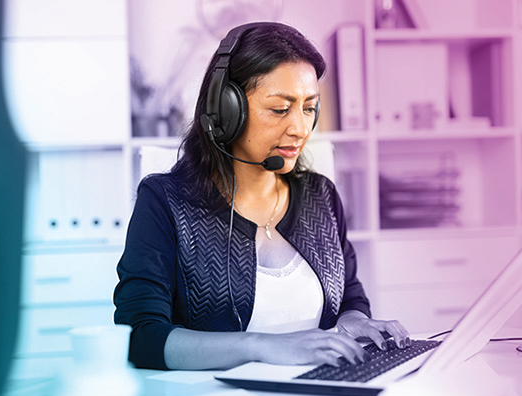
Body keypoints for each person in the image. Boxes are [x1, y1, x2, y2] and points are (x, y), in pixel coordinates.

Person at [113, 21, 410, 371]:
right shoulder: (164, 202)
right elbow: (141, 336)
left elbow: (351, 296)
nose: (299, 128)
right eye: (280, 109)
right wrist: (262, 346)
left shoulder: (321, 196)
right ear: (227, 109)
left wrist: (355, 322)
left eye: (309, 108)